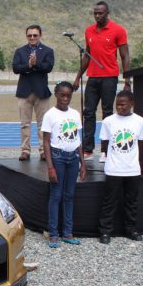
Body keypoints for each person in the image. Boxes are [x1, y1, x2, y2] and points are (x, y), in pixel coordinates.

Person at [73, 1, 131, 163]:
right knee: (88, 112)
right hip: (93, 77)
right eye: (95, 13)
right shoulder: (89, 31)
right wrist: (78, 77)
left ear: (107, 13)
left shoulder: (118, 30)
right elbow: (87, 56)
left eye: (101, 13)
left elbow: (125, 56)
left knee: (107, 113)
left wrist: (128, 80)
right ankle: (88, 149)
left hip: (110, 77)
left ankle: (106, 150)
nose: (98, 16)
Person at [97, 90, 143, 244]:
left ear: (131, 104)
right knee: (109, 202)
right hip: (114, 169)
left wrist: (138, 164)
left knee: (131, 202)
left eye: (123, 104)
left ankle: (130, 229)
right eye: (117, 104)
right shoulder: (108, 121)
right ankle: (105, 231)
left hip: (132, 169)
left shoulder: (140, 121)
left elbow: (140, 143)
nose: (119, 107)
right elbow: (104, 142)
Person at [42, 81, 86, 248]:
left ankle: (68, 232)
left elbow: (78, 140)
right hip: (58, 157)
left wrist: (83, 163)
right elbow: (46, 142)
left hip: (73, 158)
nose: (65, 98)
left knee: (69, 196)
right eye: (62, 95)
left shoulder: (75, 114)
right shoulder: (50, 115)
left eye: (68, 96)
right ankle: (53, 234)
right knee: (56, 195)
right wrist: (50, 167)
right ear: (56, 94)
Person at [13, 24, 54, 162]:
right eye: (29, 35)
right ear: (26, 36)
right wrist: (28, 66)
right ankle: (25, 150)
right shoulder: (20, 51)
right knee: (25, 123)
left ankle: (43, 150)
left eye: (35, 35)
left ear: (40, 36)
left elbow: (48, 67)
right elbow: (16, 68)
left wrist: (35, 65)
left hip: (41, 92)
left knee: (43, 124)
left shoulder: (48, 51)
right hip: (24, 91)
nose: (32, 37)